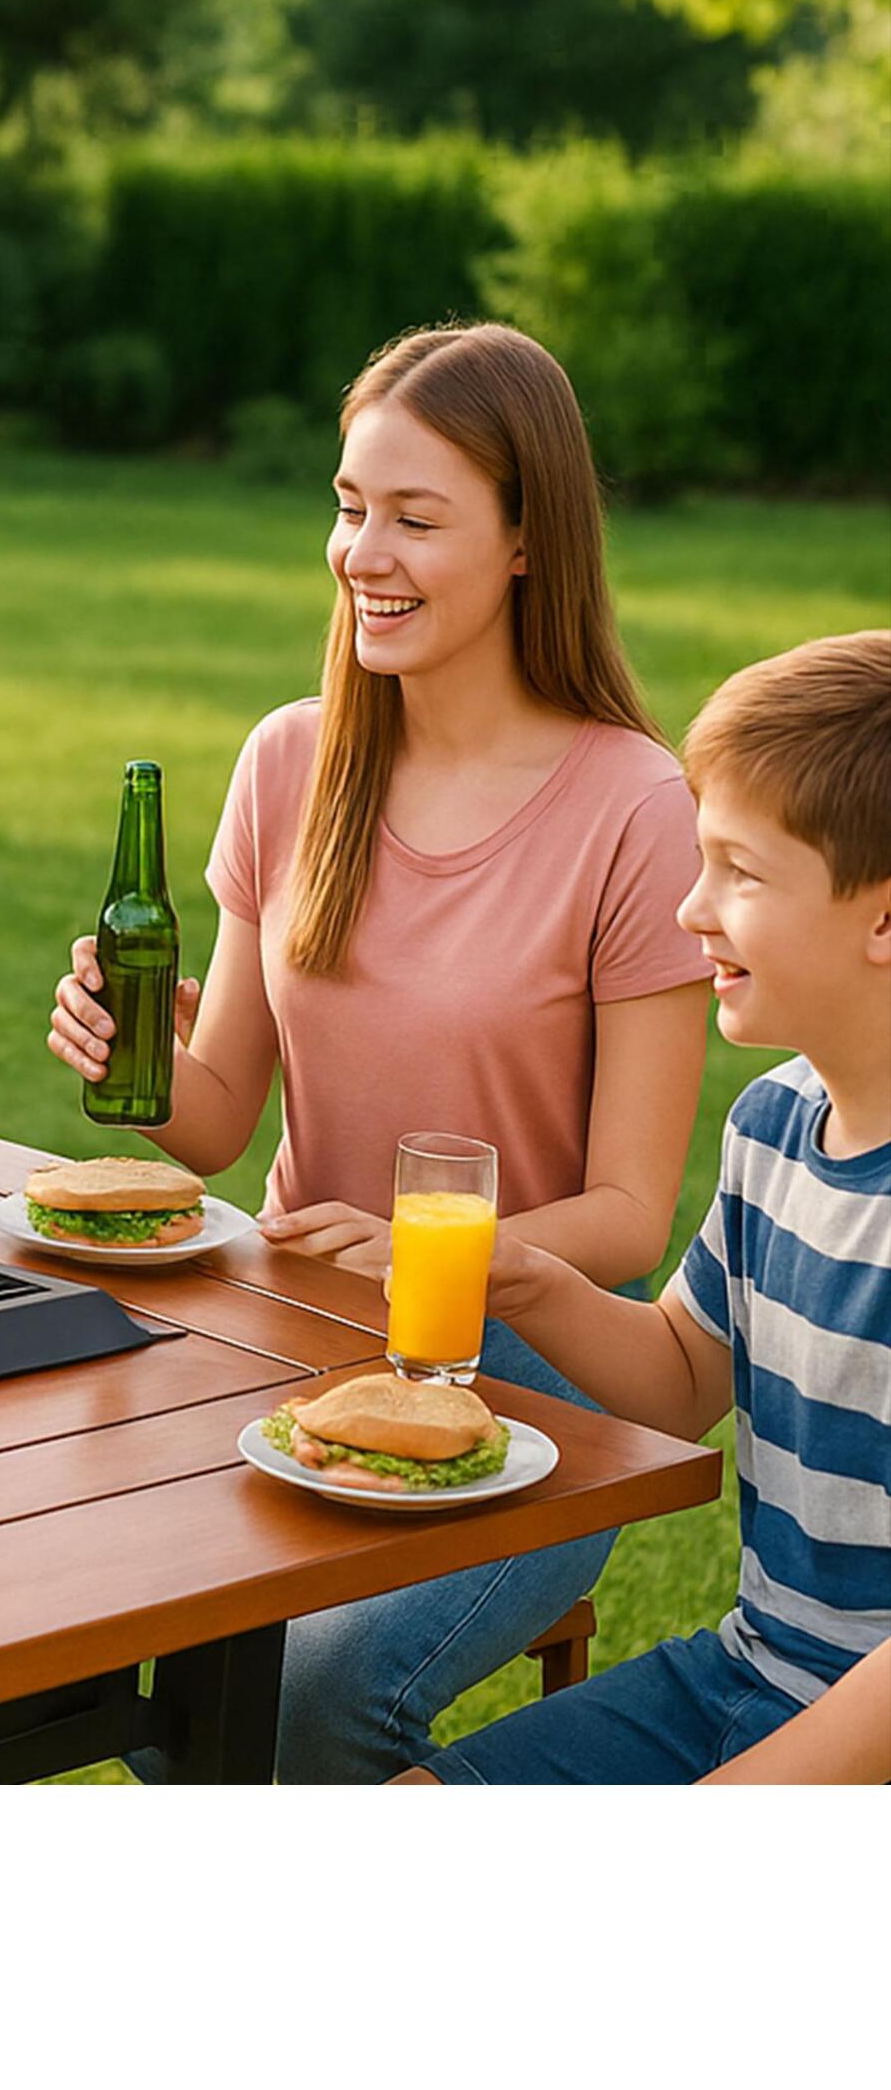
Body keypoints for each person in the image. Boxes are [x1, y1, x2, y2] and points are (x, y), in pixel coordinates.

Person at [47, 322, 711, 1782]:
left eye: (416, 518)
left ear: (530, 541)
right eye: (350, 508)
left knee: (309, 1688)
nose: (364, 553)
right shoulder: (296, 759)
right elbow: (217, 1118)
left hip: (537, 1383)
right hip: (293, 1334)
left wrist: (429, 1262)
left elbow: (626, 1217)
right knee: (108, 1603)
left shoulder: (634, 807)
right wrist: (129, 1048)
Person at [397, 633, 891, 1784]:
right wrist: (532, 1282)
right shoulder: (774, 1124)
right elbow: (681, 1374)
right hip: (749, 1671)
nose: (688, 911)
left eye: (740, 873)